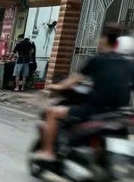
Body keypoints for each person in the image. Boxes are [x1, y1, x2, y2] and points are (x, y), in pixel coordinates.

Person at [37, 23, 133, 160]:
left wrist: (55, 87)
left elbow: (72, 81)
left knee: (52, 113)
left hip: (95, 109)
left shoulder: (97, 60)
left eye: (99, 38)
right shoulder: (128, 64)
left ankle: (48, 152)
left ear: (104, 39)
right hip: (118, 112)